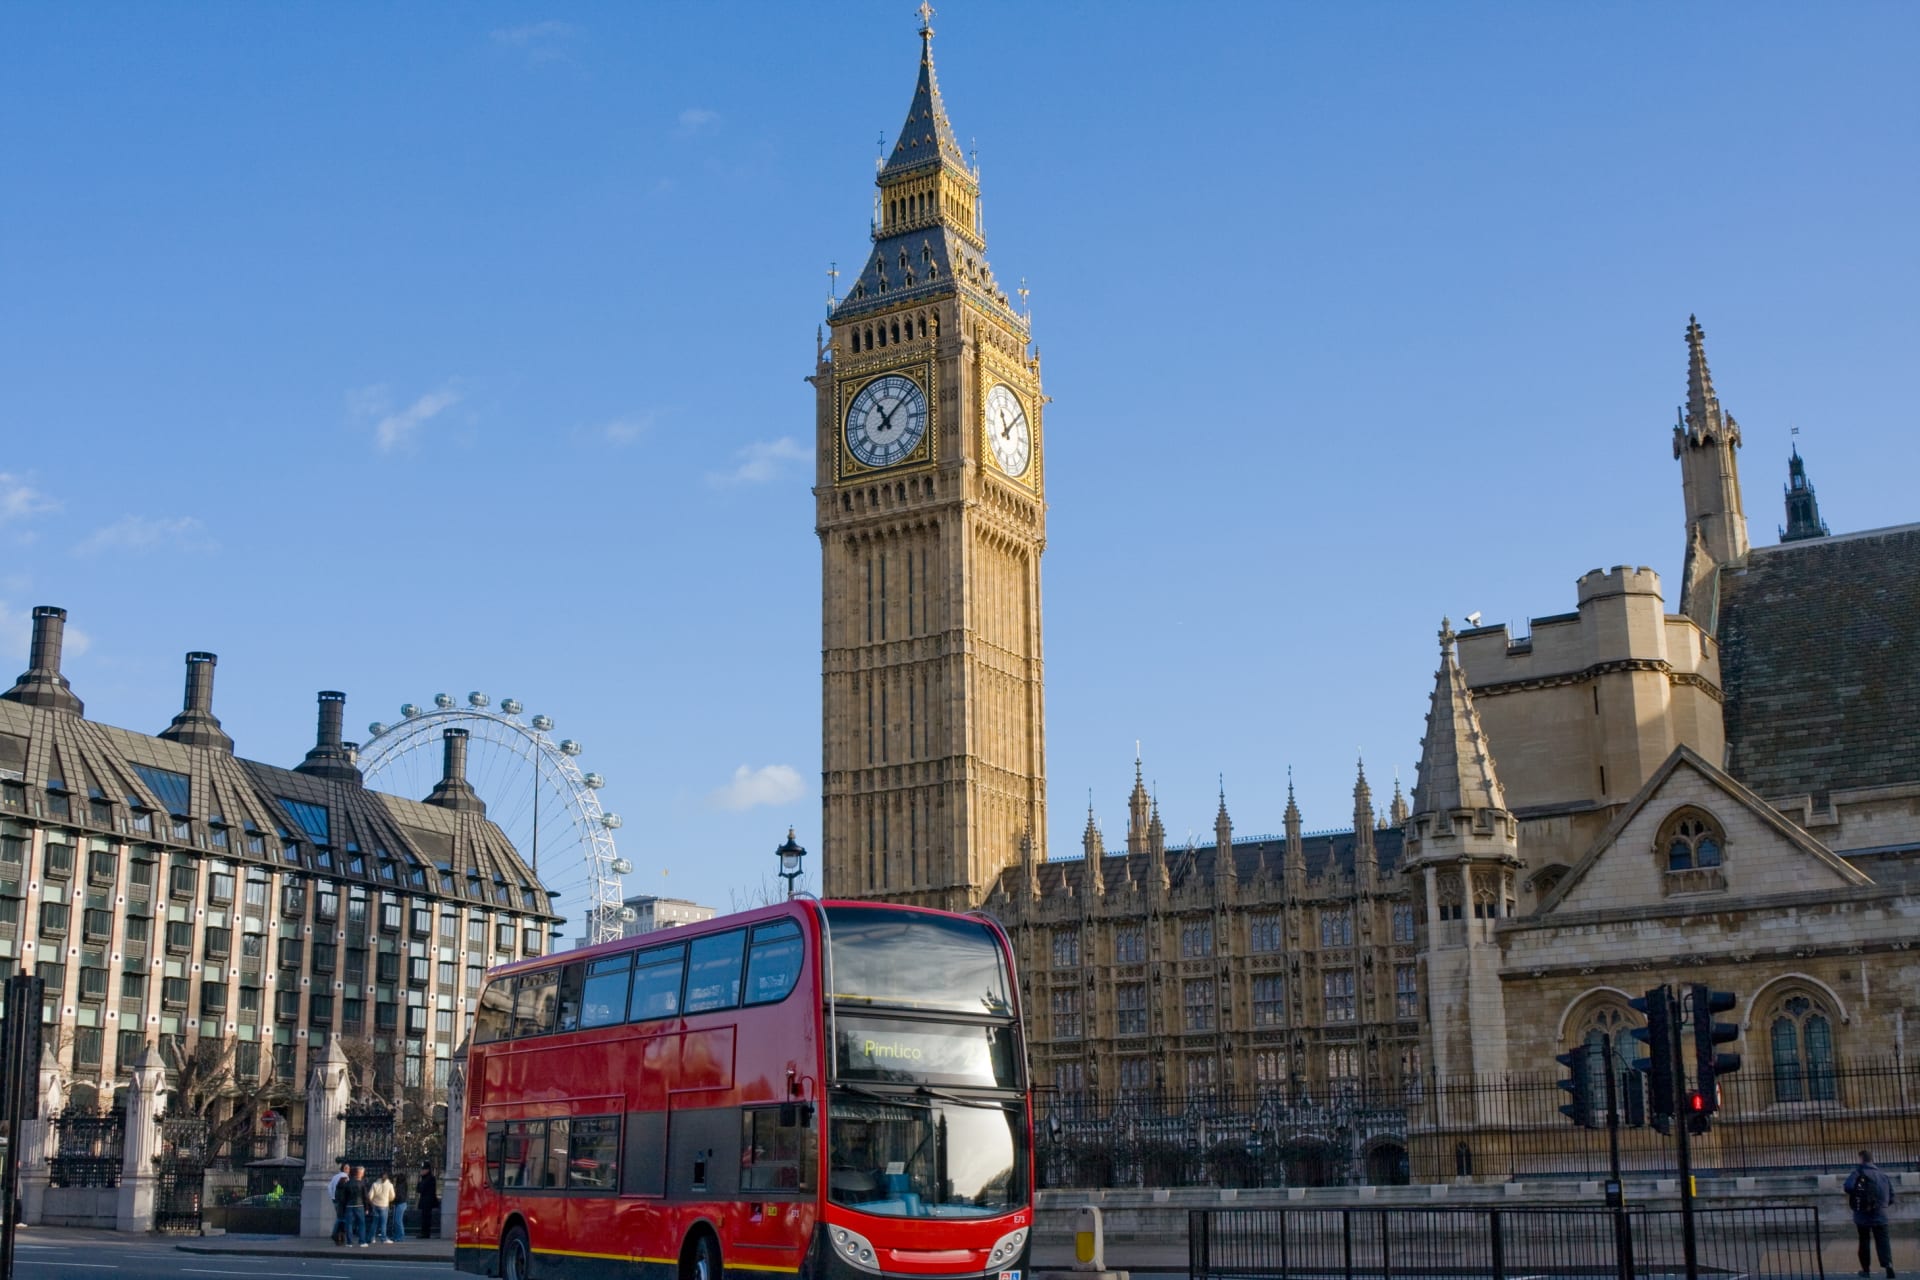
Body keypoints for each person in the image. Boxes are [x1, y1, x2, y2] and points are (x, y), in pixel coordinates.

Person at [1846, 1150, 1897, 1279]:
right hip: (1881, 1214)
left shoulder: (1858, 1173)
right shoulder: (1883, 1175)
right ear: (1872, 1159)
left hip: (1862, 1215)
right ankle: (1888, 1266)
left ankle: (1866, 1270)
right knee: (1883, 1241)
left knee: (1864, 1241)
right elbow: (1891, 1197)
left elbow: (1848, 1187)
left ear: (1861, 1159)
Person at [367, 1171, 394, 1244]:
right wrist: (388, 1199)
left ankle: (372, 1238)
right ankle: (383, 1238)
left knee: (374, 1223)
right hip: (384, 1205)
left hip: (375, 1205)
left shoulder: (375, 1184)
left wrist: (373, 1202)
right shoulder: (390, 1185)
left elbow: (370, 1196)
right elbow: (392, 1196)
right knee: (383, 1223)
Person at [328, 1159, 350, 1246]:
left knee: (340, 1217)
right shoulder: (345, 1177)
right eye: (347, 1168)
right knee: (341, 1218)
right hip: (342, 1201)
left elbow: (329, 1187)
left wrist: (332, 1196)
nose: (349, 1169)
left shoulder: (335, 1177)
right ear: (344, 1169)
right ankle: (335, 1234)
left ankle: (340, 1236)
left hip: (335, 1200)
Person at [416, 1165, 439, 1239]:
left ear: (427, 1170)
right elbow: (418, 1190)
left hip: (428, 1201)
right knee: (424, 1217)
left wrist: (420, 1181)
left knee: (426, 1218)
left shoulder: (430, 1178)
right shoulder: (424, 1178)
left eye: (423, 1170)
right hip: (425, 1200)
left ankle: (426, 1233)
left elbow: (422, 1189)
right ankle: (424, 1232)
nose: (421, 1171)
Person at [389, 1171, 408, 1243]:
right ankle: (397, 1236)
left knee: (398, 1221)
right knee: (397, 1221)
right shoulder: (403, 1185)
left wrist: (393, 1201)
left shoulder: (399, 1186)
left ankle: (400, 1236)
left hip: (400, 1203)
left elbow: (399, 1196)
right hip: (401, 1203)